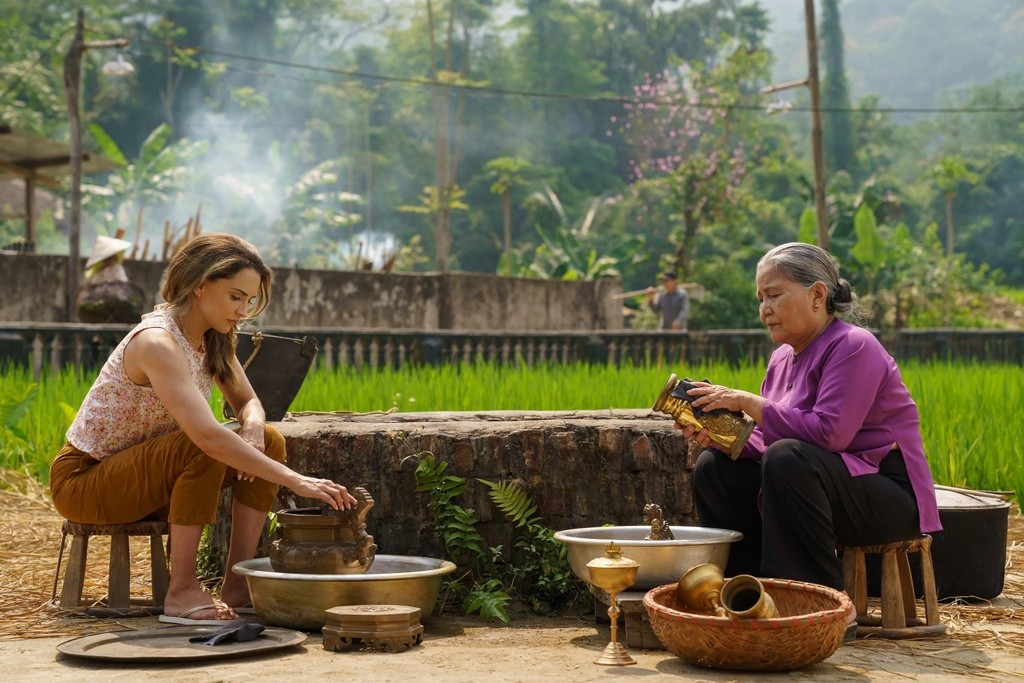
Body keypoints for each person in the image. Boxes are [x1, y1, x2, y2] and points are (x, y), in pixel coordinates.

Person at [50, 233, 357, 625]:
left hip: (146, 478)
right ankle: (181, 591)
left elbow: (249, 402)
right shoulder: (157, 342)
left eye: (249, 300)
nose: (243, 310)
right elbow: (208, 437)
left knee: (269, 440)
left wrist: (252, 429)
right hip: (85, 482)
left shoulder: (214, 339)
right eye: (235, 296)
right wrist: (298, 481)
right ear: (200, 285)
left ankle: (238, 583)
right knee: (205, 444)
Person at [677, 242, 941, 602]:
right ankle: (748, 595)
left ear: (817, 295)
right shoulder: (781, 358)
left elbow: (829, 435)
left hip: (886, 493)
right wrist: (722, 437)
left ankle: (816, 601)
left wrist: (745, 401)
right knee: (716, 467)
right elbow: (772, 440)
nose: (763, 310)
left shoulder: (853, 345)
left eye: (773, 295)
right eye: (760, 298)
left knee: (789, 458)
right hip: (817, 478)